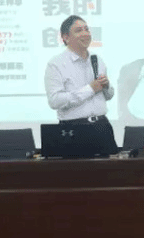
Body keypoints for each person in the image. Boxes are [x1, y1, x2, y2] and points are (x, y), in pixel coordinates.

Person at [44, 15, 117, 153]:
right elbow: (55, 101)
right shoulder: (56, 64)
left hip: (102, 127)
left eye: (87, 29)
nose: (85, 33)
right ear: (65, 37)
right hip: (74, 130)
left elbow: (108, 96)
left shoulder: (97, 59)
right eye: (79, 30)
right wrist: (90, 89)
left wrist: (106, 86)